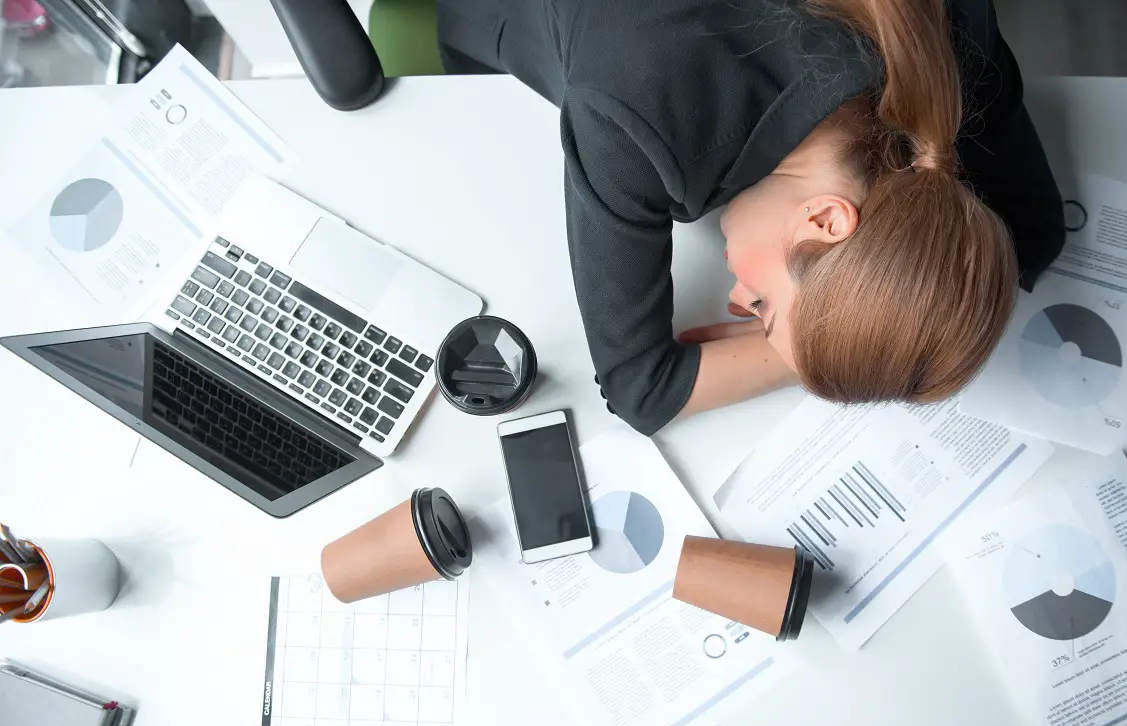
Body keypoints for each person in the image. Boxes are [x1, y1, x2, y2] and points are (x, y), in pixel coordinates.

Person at [436, 0, 1065, 435]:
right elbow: (639, 390)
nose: (736, 302)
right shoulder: (635, 112)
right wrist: (823, 357)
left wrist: (847, 343)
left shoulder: (945, 43)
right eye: (763, 306)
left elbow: (1036, 234)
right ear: (824, 221)